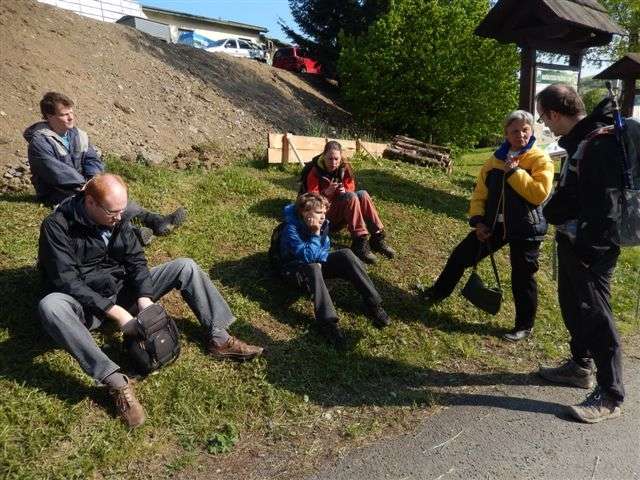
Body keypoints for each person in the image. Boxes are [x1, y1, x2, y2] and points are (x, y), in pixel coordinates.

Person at [37, 173, 263, 428]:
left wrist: (144, 298)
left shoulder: (117, 218)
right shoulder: (57, 226)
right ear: (90, 202)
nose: (119, 218)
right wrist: (118, 313)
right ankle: (114, 380)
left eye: (122, 210)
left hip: (121, 290)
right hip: (85, 306)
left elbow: (136, 260)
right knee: (51, 306)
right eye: (113, 212)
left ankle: (219, 338)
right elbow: (67, 281)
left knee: (185, 266)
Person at [536, 83, 632, 423]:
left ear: (554, 113)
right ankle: (580, 366)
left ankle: (611, 395)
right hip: (575, 240)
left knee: (596, 315)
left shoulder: (598, 143)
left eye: (543, 117)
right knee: (574, 306)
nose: (544, 124)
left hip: (591, 247)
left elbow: (605, 205)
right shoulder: (582, 140)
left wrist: (590, 249)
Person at [421, 110, 554, 341]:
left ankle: (524, 326)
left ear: (531, 131)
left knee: (522, 277)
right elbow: (480, 194)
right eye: (515, 131)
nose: (521, 135)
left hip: (526, 228)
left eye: (525, 130)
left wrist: (514, 171)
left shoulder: (539, 159)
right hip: (494, 225)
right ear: (506, 134)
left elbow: (538, 194)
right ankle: (436, 293)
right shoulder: (495, 160)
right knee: (461, 255)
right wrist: (478, 221)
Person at [24, 91, 186, 243]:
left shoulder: (78, 134)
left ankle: (156, 221)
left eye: (71, 112)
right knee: (93, 205)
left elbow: (92, 159)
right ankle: (131, 233)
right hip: (57, 191)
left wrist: (95, 179)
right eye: (64, 114)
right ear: (49, 116)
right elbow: (55, 172)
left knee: (111, 195)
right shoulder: (40, 142)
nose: (70, 117)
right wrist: (86, 186)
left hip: (85, 184)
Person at [277, 192, 391, 348]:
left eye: (324, 212)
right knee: (313, 266)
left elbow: (325, 248)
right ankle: (328, 323)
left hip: (314, 265)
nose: (323, 216)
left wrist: (319, 256)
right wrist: (315, 234)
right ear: (304, 212)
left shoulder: (323, 224)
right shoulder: (291, 229)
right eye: (319, 212)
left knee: (346, 254)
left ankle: (373, 304)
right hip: (292, 271)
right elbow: (306, 256)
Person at [302, 141, 395, 264]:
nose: (333, 163)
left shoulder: (344, 168)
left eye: (336, 159)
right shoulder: (315, 171)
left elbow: (351, 189)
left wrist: (344, 191)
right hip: (322, 218)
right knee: (350, 197)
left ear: (341, 157)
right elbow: (311, 201)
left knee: (362, 194)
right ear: (324, 156)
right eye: (330, 159)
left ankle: (377, 237)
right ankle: (359, 242)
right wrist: (326, 193)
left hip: (340, 212)